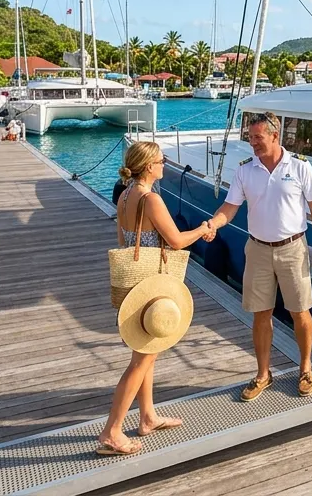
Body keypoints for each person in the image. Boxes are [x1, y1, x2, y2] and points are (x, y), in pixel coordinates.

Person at [96, 141, 215, 456]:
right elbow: (175, 241)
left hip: (135, 285)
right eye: (162, 160)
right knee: (141, 360)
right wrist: (203, 229)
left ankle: (147, 417)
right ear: (149, 166)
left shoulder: (124, 196)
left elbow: (124, 240)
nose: (165, 165)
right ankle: (112, 431)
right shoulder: (151, 199)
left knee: (148, 351)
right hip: (154, 283)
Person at [206, 112, 312, 402]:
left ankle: (306, 368)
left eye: (258, 137)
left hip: (293, 248)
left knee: (300, 311)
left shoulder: (299, 167)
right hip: (258, 249)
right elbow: (230, 207)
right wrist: (212, 224)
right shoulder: (245, 171)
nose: (253, 143)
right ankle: (263, 374)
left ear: (275, 136)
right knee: (261, 313)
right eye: (250, 138)